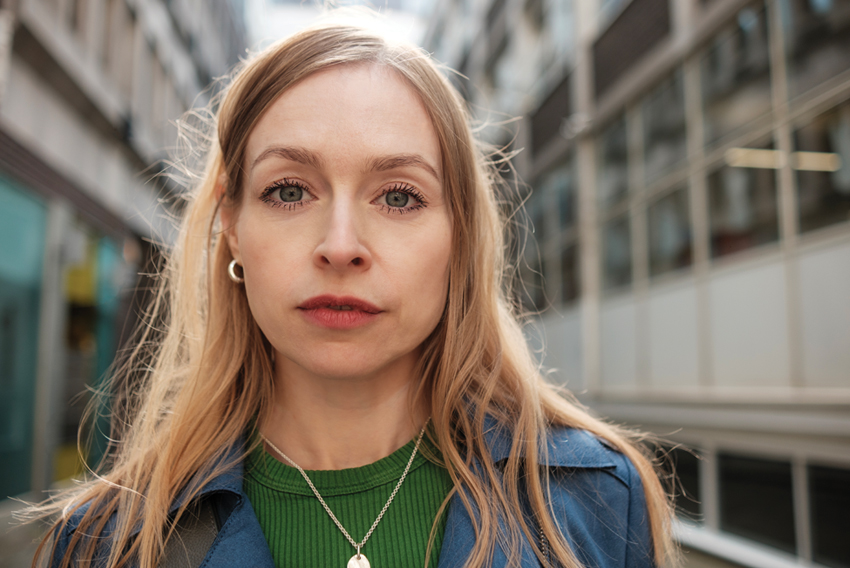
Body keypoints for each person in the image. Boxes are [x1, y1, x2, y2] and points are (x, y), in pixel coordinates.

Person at [31, 23, 675, 568]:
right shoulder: (105, 544)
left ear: (460, 236)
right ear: (232, 224)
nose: (341, 246)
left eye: (399, 196)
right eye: (289, 191)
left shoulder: (599, 503)